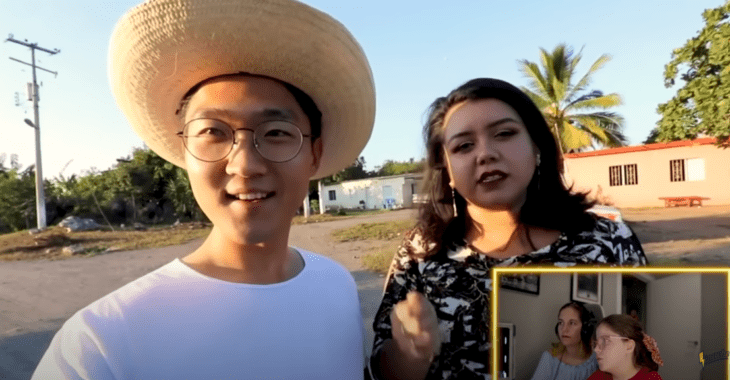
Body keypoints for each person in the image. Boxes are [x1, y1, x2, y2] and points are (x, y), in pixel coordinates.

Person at [32, 0, 375, 379]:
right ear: (184, 151)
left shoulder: (337, 286)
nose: (244, 165)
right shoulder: (100, 346)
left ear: (315, 153)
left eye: (276, 133)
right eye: (213, 132)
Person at [368, 78, 647, 380]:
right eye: (463, 146)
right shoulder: (420, 251)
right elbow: (378, 370)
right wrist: (409, 355)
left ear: (536, 145)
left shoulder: (608, 241)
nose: (485, 153)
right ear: (446, 169)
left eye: (504, 133)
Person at [530, 302, 598, 380]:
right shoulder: (549, 358)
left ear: (585, 330)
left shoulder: (597, 360)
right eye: (561, 322)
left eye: (572, 323)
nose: (564, 329)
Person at [588, 314, 664, 380]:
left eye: (605, 341)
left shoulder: (651, 378)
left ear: (629, 346)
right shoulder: (598, 376)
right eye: (596, 343)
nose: (596, 349)